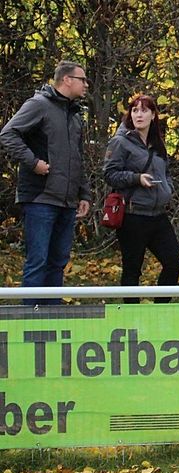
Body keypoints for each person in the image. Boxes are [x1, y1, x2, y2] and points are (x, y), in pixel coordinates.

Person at [1, 60, 92, 306]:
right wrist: (33, 162)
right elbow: (8, 134)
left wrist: (84, 194)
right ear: (67, 80)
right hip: (40, 197)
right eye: (82, 79)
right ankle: (29, 321)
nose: (86, 84)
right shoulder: (38, 104)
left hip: (67, 200)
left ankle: (52, 318)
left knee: (58, 261)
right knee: (37, 260)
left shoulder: (75, 115)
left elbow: (77, 156)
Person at [103, 94, 179, 303]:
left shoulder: (158, 143)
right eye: (135, 110)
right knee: (132, 269)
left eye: (144, 110)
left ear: (153, 114)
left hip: (158, 215)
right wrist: (137, 178)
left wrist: (167, 188)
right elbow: (109, 173)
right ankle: (131, 317)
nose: (139, 115)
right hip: (132, 214)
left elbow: (166, 172)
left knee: (173, 261)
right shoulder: (120, 141)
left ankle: (160, 310)